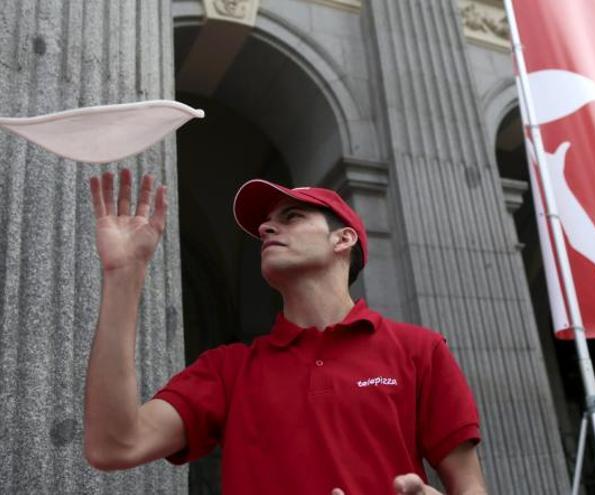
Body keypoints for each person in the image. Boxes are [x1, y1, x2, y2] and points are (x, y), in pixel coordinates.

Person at [82, 169, 487, 495]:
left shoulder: (419, 350)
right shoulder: (229, 371)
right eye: (265, 223)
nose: (265, 229)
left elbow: (469, 486)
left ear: (342, 239)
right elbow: (114, 444)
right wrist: (124, 275)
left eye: (291, 217)